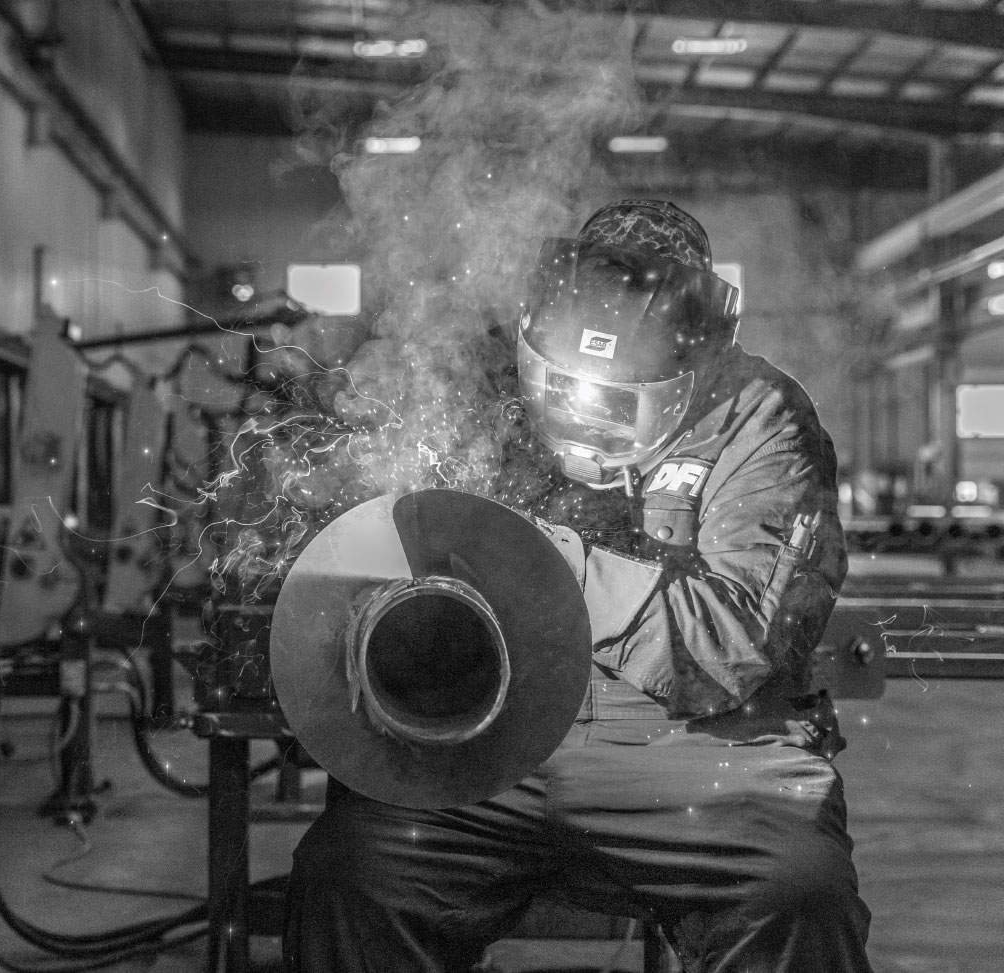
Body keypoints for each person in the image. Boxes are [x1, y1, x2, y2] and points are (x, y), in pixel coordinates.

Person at [283, 199, 873, 973]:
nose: (584, 420)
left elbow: (741, 642)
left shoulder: (760, 419)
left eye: (619, 401)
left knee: (798, 891)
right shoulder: (485, 384)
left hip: (698, 749)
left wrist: (544, 562)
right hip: (487, 737)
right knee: (351, 877)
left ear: (692, 364)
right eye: (563, 389)